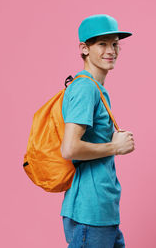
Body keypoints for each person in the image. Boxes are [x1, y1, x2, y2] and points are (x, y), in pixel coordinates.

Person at [60, 14, 135, 247]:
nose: (110, 50)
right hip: (89, 212)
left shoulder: (97, 88)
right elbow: (69, 147)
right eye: (102, 43)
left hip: (103, 210)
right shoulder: (85, 88)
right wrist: (115, 146)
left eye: (114, 43)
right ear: (84, 49)